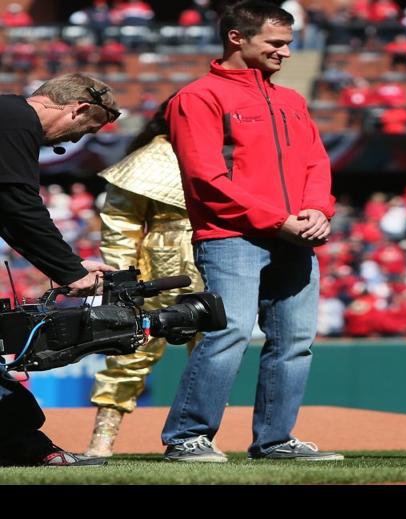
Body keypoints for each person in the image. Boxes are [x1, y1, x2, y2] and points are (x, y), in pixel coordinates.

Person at [160, 1, 342, 462]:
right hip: (230, 236)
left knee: (295, 341)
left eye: (288, 43)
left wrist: (318, 210)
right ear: (237, 38)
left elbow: (317, 163)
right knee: (231, 332)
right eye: (275, 43)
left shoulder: (291, 100)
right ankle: (187, 438)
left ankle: (276, 440)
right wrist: (279, 220)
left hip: (295, 235)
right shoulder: (198, 97)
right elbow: (205, 178)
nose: (285, 52)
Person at [0, 73, 118, 466]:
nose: (75, 142)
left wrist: (71, 264)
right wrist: (70, 271)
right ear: (77, 109)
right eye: (87, 128)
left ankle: (28, 447)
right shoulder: (16, 119)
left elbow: (9, 216)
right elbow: (17, 205)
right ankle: (30, 448)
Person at [83, 97, 206, 458]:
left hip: (219, 258)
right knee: (131, 349)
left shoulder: (227, 155)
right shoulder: (146, 160)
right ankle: (100, 442)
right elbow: (120, 227)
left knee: (213, 353)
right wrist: (124, 281)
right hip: (160, 266)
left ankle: (197, 439)